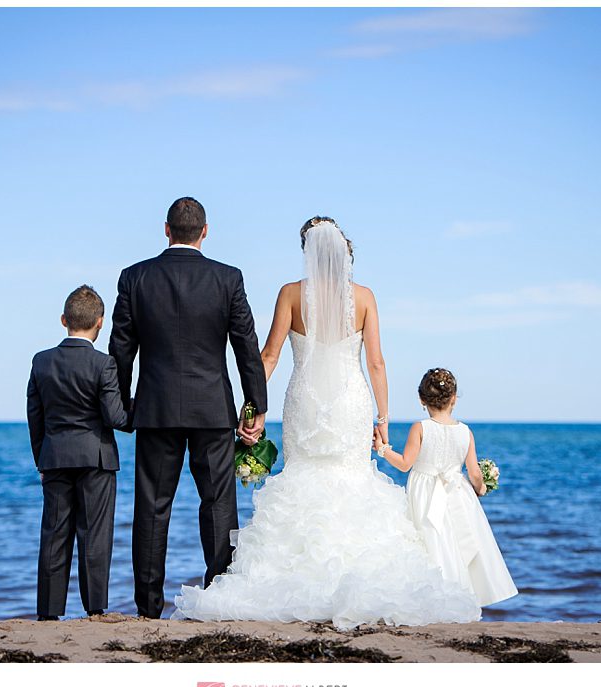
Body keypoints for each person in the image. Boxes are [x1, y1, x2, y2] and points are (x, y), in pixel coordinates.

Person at [172, 217, 480, 629]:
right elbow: (376, 362)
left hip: (305, 402)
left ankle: (294, 579)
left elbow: (269, 356)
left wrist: (251, 407)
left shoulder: (290, 294)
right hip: (350, 404)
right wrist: (383, 418)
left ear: (308, 252)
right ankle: (356, 577)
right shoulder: (364, 297)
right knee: (353, 479)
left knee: (303, 476)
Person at [108, 196, 267, 619]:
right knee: (218, 504)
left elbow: (121, 348)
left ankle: (148, 609)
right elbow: (246, 347)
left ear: (166, 230)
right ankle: (219, 597)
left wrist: (121, 405)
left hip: (155, 409)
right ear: (205, 231)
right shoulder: (227, 278)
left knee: (152, 507)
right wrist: (254, 406)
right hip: (212, 409)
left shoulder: (135, 277)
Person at [374, 368, 518, 608]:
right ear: (454, 399)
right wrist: (481, 488)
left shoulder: (420, 428)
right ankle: (460, 595)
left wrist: (382, 448)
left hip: (425, 492)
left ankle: (434, 598)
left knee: (432, 539)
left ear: (421, 400)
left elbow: (405, 464)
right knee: (456, 542)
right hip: (458, 493)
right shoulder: (465, 432)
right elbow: (473, 472)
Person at [26, 285, 129, 621]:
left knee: (54, 535)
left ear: (63, 320)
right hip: (96, 458)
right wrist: (142, 412)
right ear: (100, 322)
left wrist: (42, 459)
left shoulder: (41, 361)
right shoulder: (103, 363)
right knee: (94, 535)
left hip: (55, 457)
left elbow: (35, 418)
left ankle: (48, 612)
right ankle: (95, 609)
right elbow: (115, 417)